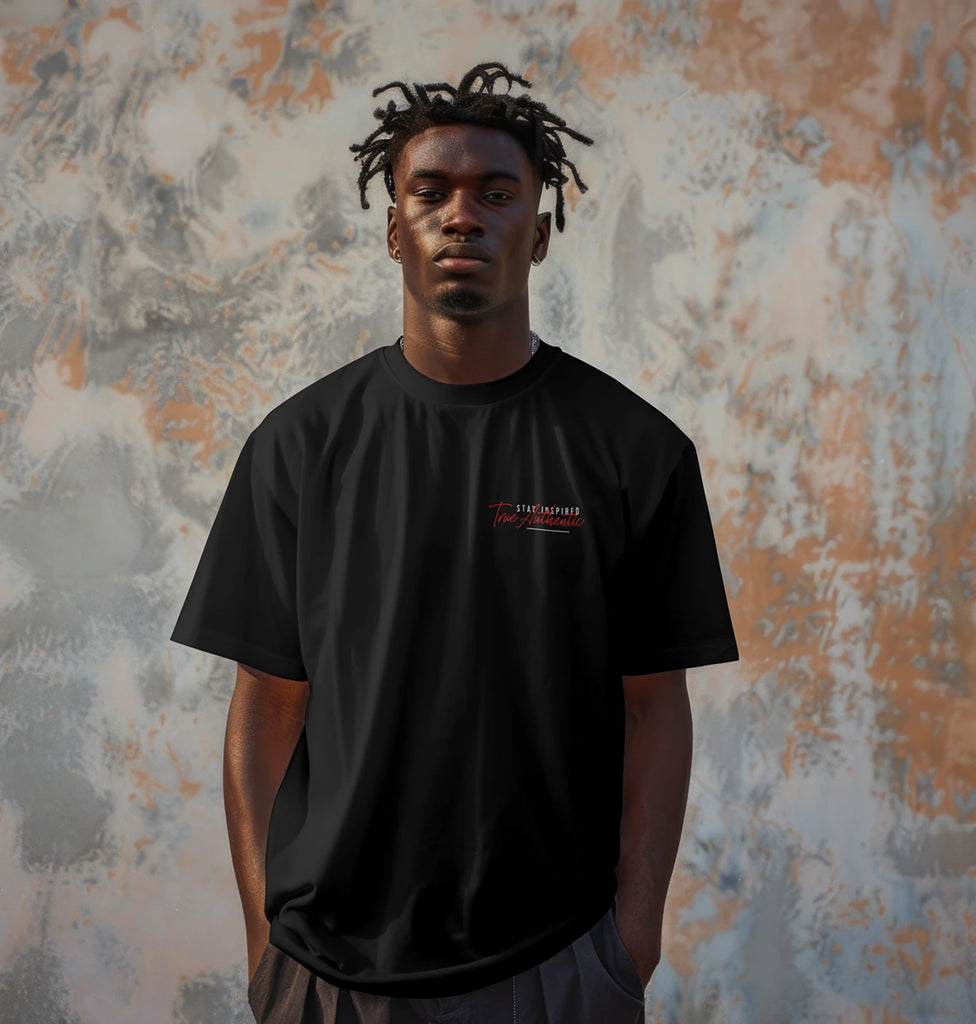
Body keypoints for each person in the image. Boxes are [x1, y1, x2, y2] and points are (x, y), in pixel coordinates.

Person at [171, 61, 739, 1024]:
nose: (462, 216)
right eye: (430, 192)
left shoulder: (635, 451)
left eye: (497, 194)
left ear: (540, 234)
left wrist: (631, 941)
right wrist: (267, 943)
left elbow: (655, 708)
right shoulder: (299, 446)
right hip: (326, 973)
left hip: (555, 962)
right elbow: (266, 705)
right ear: (395, 231)